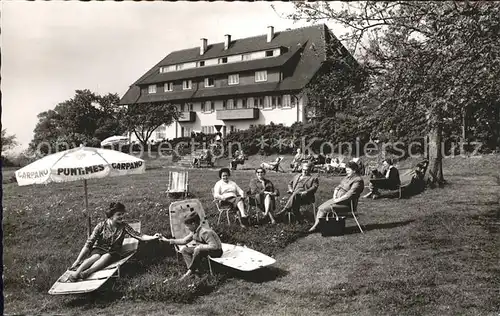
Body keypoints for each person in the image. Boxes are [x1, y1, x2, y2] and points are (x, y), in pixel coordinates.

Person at [67, 202, 159, 282]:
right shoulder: (101, 226)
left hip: (113, 252)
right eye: (119, 214)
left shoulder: (124, 226)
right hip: (99, 249)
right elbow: (89, 243)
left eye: (122, 214)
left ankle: (87, 272)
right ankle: (77, 273)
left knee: (106, 256)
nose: (122, 217)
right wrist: (77, 260)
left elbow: (138, 235)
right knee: (95, 256)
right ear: (111, 216)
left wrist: (152, 237)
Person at [159, 211, 222, 281]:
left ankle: (190, 271)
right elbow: (184, 241)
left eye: (187, 226)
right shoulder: (194, 232)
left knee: (197, 250)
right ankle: (194, 271)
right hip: (204, 250)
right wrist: (167, 240)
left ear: (193, 224)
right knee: (184, 250)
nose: (186, 228)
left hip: (216, 252)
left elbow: (214, 246)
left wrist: (200, 247)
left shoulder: (204, 232)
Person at [308, 161, 365, 232]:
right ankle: (318, 225)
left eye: (348, 170)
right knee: (320, 207)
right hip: (337, 200)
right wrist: (335, 196)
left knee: (323, 209)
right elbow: (338, 187)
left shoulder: (358, 181)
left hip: (347, 204)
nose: (346, 172)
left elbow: (349, 195)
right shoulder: (347, 178)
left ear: (354, 170)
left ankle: (315, 227)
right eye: (346, 170)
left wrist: (337, 200)